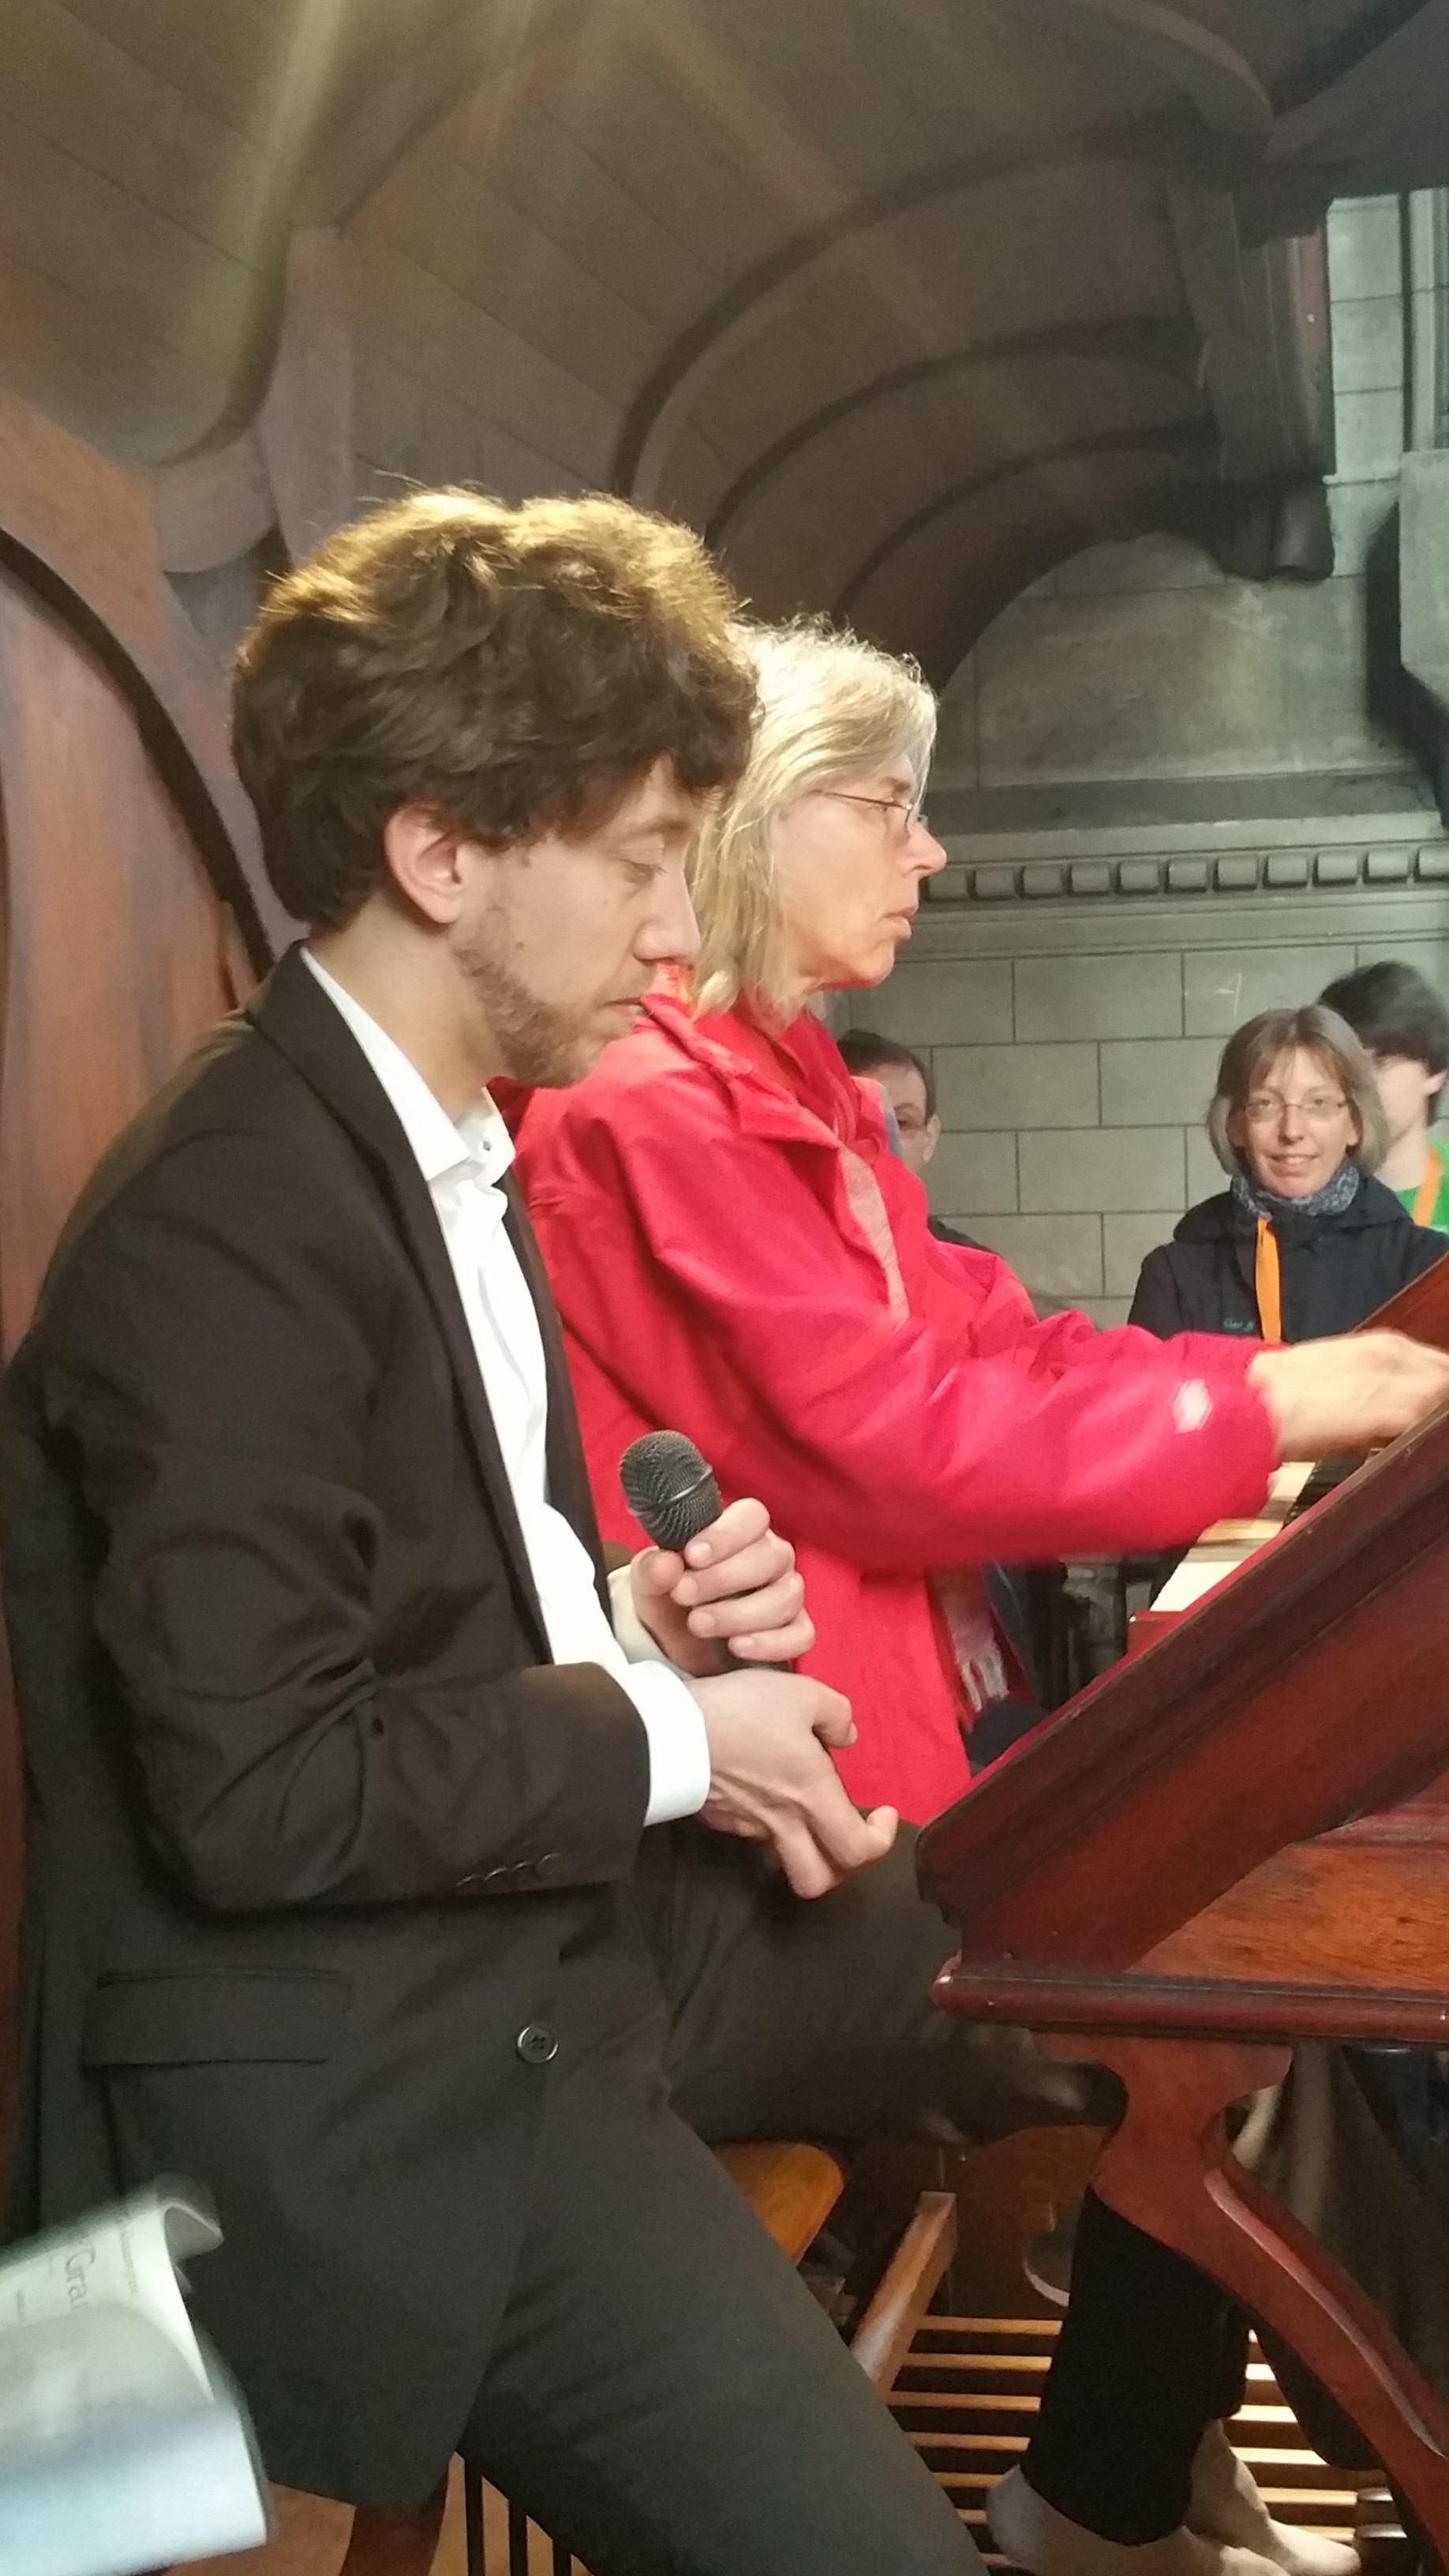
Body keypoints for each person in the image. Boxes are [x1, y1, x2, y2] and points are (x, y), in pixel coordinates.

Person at [4, 489, 1122, 2576]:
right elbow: (257, 1791)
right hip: (388, 2079)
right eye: (637, 864)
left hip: (563, 1941)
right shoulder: (227, 1217)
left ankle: (1116, 2483)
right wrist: (683, 1738)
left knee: (1141, 1959)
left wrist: (632, 1628)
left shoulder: (446, 1138)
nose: (680, 936)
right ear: (441, 854)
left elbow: (410, 1616)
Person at [510, 615, 1449, 2576]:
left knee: (1258, 1981)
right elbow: (894, 1439)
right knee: (1225, 1998)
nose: (931, 848)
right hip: (765, 1826)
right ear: (767, 815)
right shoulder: (648, 1106)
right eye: (893, 804)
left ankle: (1130, 2471)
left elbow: (1003, 1339)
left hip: (878, 1750)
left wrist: (1283, 1387)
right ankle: (1127, 2487)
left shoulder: (792, 1087)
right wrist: (1275, 1400)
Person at [1129, 1005, 1445, 1342]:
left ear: (1355, 1123)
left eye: (1319, 1104)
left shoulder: (1427, 1270)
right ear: (1234, 1125)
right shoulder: (1174, 1275)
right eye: (1265, 1105)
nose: (1292, 1131)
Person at [1320, 960, 1449, 1236]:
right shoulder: (1301, 1197)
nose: (1360, 1082)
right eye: (1346, 1064)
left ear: (1435, 1071)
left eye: (1381, 1063)